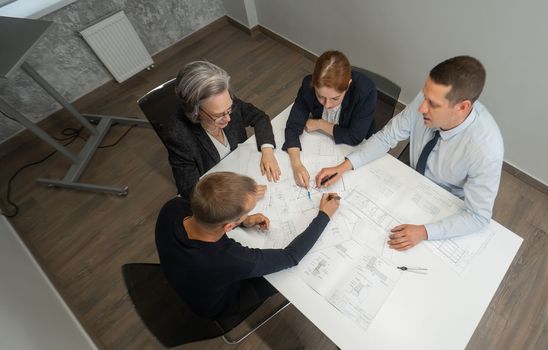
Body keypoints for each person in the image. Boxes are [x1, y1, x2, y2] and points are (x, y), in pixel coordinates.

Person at [316, 56, 504, 250]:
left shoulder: (486, 150)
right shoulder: (426, 101)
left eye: (433, 104)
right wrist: (344, 166)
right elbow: (387, 136)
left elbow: (478, 217)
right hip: (410, 183)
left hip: (444, 205)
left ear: (462, 107)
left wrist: (425, 232)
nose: (421, 107)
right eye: (424, 96)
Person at [155, 171, 340, 319]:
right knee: (283, 277)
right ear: (228, 226)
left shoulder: (172, 207)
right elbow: (291, 256)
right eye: (246, 212)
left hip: (180, 272)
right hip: (213, 306)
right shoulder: (229, 258)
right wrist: (324, 215)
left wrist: (244, 221)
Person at [166, 61, 281, 199]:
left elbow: (259, 117)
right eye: (219, 115)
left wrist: (267, 151)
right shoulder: (177, 134)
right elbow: (190, 191)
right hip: (221, 190)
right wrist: (235, 194)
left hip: (243, 167)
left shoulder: (223, 100)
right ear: (196, 111)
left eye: (229, 109)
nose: (228, 118)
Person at [283, 50, 377, 188]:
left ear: (348, 85)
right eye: (320, 96)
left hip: (356, 149)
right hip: (325, 143)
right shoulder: (308, 84)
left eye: (335, 98)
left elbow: (355, 137)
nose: (327, 105)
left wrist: (320, 124)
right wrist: (297, 165)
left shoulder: (365, 91)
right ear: (314, 84)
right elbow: (293, 126)